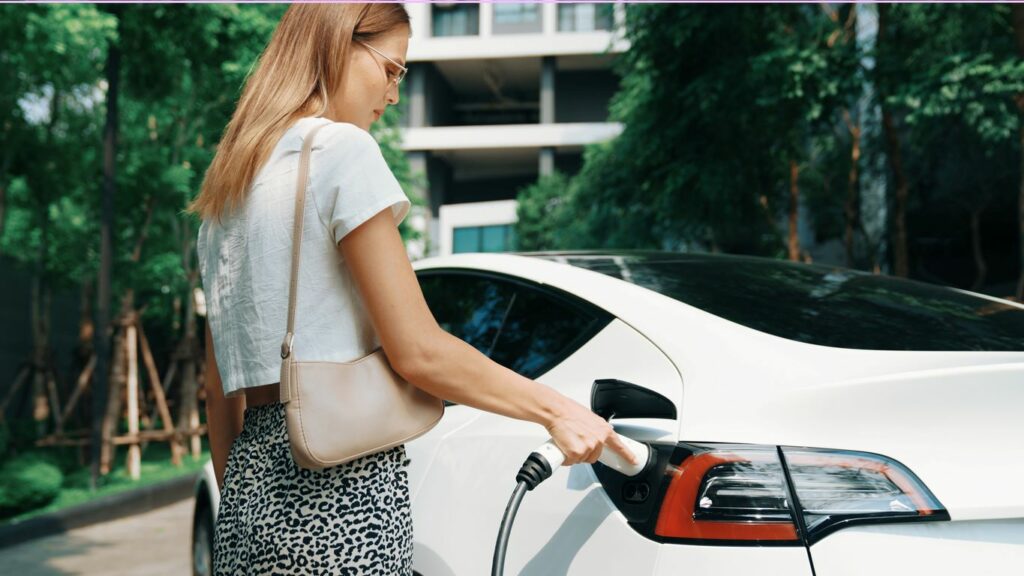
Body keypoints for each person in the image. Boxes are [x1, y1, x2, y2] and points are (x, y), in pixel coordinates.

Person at [187, 4, 638, 575]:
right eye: (392, 69)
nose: (395, 94)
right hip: (339, 496)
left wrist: (249, 507)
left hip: (246, 502)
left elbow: (216, 388)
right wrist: (558, 411)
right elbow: (418, 351)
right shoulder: (341, 152)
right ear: (340, 45)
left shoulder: (226, 193)